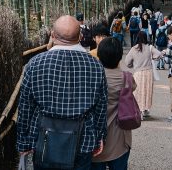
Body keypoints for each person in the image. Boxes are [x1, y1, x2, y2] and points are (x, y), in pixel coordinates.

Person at [17, 15, 107, 170]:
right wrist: (99, 137)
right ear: (80, 37)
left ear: (52, 35)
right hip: (83, 141)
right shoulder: (96, 66)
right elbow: (101, 108)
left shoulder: (35, 64)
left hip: (43, 140)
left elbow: (25, 107)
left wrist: (23, 142)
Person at [93, 37, 136, 170]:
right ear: (119, 57)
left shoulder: (93, 76)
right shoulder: (127, 78)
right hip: (120, 139)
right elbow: (133, 87)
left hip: (95, 138)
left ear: (99, 56)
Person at [124, 30, 162, 118]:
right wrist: (152, 58)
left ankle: (138, 111)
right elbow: (159, 55)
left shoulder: (133, 49)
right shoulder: (150, 48)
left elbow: (127, 62)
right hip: (148, 73)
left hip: (138, 73)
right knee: (146, 92)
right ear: (146, 38)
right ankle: (144, 110)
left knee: (137, 92)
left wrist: (131, 65)